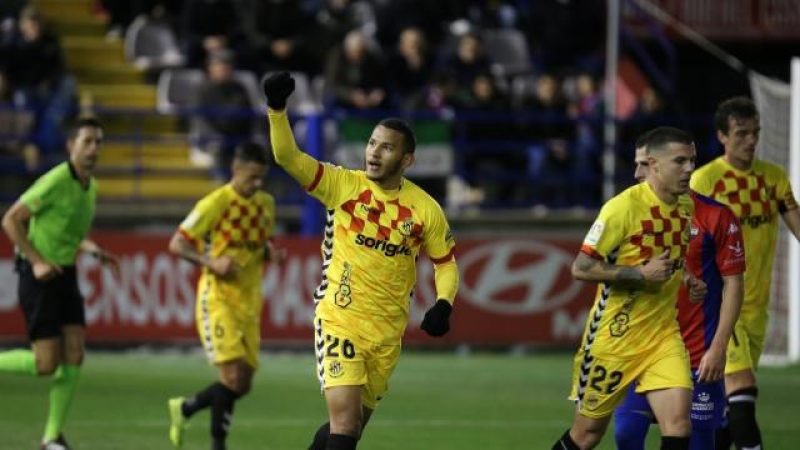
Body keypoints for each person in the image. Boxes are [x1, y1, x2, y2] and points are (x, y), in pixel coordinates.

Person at [262, 72, 459, 450]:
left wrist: (444, 303)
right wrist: (276, 109)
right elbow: (288, 157)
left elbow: (446, 262)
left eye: (386, 147)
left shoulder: (425, 209)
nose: (373, 152)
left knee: (347, 429)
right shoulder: (342, 185)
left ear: (407, 159)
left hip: (386, 334)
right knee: (346, 424)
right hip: (341, 318)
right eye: (372, 143)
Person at [551, 126, 703, 450]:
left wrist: (688, 277)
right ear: (655, 164)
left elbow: (671, 254)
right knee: (587, 435)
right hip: (614, 340)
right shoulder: (621, 208)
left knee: (678, 426)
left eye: (692, 160)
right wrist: (639, 274)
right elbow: (581, 267)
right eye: (680, 161)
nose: (689, 168)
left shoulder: (686, 207)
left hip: (663, 335)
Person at [614, 131, 745, 450]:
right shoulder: (626, 213)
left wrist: (718, 348)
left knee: (697, 441)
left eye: (643, 164)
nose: (637, 174)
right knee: (627, 435)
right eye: (637, 165)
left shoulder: (717, 216)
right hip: (641, 351)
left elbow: (734, 283)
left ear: (657, 166)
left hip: (697, 354)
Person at [0, 117, 120, 450]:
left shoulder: (91, 188)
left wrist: (95, 251)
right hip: (38, 276)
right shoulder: (54, 181)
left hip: (65, 274)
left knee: (75, 353)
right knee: (45, 364)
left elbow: (72, 235)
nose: (94, 148)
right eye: (87, 142)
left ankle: (51, 438)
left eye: (98, 142)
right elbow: (10, 220)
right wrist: (36, 262)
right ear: (71, 146)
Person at [690, 96, 800, 450]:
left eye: (755, 133)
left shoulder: (773, 178)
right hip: (722, 305)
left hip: (757, 309)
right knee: (742, 390)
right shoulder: (705, 181)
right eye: (741, 134)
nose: (750, 141)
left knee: (724, 407)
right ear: (722, 136)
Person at [166, 142, 283, 450]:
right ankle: (218, 445)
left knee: (242, 384)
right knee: (231, 377)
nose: (258, 184)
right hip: (218, 299)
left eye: (262, 178)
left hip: (249, 301)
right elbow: (177, 244)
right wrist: (211, 262)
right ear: (236, 169)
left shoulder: (266, 204)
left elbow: (261, 243)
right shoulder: (214, 203)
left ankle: (185, 408)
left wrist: (271, 252)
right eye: (253, 177)